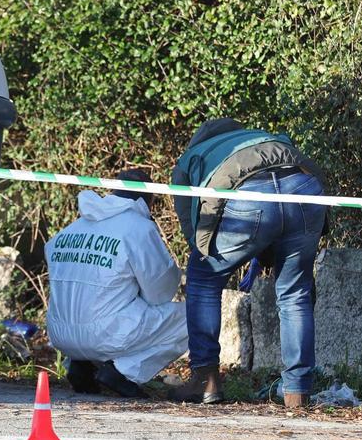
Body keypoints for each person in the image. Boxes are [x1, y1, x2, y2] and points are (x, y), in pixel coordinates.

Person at [169, 118, 327, 408]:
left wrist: (209, 252)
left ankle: (205, 380)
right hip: (305, 188)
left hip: (247, 197)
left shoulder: (193, 156)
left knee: (203, 278)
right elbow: (288, 187)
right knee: (295, 293)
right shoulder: (266, 136)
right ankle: (298, 391)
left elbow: (191, 226)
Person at [45, 170, 187, 397]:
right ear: (147, 199)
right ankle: (123, 373)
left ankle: (81, 365)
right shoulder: (138, 228)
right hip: (105, 336)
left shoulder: (70, 230)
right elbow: (160, 293)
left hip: (60, 335)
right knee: (192, 319)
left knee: (103, 302)